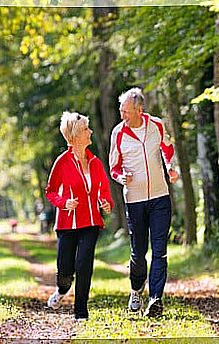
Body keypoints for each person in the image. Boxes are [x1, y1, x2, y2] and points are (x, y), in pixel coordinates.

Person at [109, 87, 179, 317]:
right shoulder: (118, 133)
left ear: (139, 110)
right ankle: (136, 290)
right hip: (135, 200)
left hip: (160, 197)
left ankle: (156, 299)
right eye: (121, 111)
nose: (123, 116)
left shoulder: (156, 125)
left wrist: (169, 167)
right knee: (138, 253)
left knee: (159, 250)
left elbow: (167, 148)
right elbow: (114, 168)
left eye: (126, 112)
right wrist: (122, 178)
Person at [45, 111, 113, 320]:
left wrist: (106, 203)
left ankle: (81, 312)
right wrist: (64, 203)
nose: (90, 131)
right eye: (86, 129)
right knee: (65, 271)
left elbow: (104, 190)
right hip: (67, 224)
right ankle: (62, 290)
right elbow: (50, 191)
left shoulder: (95, 163)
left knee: (84, 265)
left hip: (91, 221)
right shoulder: (62, 162)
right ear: (74, 136)